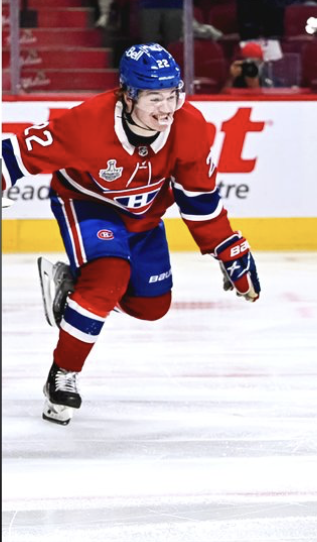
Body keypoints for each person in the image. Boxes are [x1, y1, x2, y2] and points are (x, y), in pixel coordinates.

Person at [0, 43, 262, 426]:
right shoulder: (88, 122)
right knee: (109, 278)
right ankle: (63, 373)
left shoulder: (190, 127)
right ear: (128, 95)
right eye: (154, 97)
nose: (166, 107)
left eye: (172, 94)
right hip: (86, 204)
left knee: (152, 307)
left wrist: (228, 250)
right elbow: (16, 155)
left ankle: (74, 287)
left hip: (144, 216)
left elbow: (199, 200)